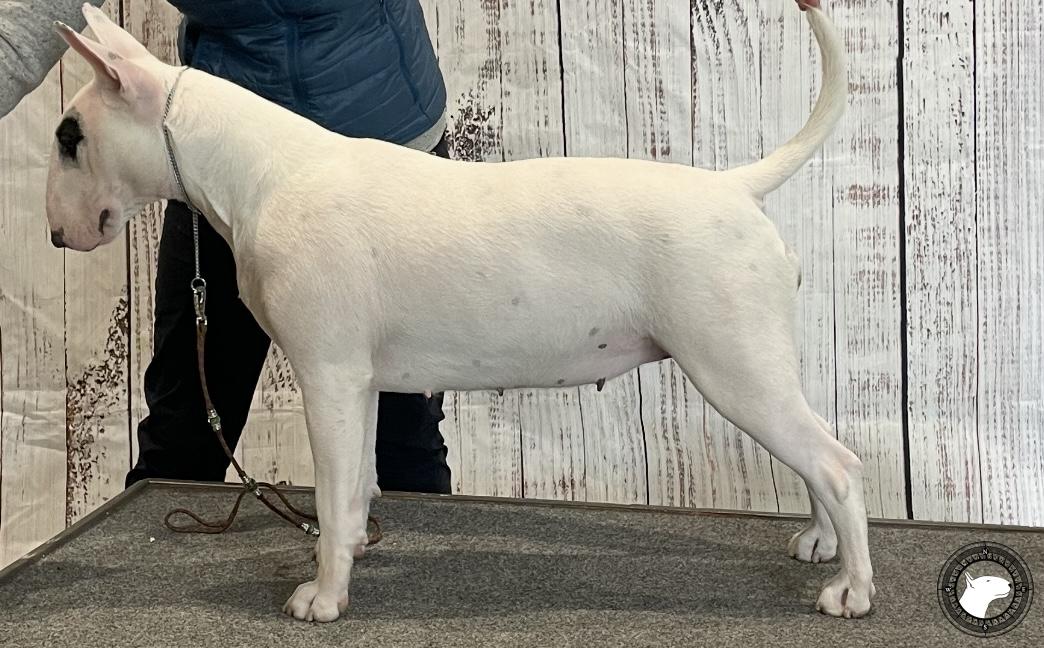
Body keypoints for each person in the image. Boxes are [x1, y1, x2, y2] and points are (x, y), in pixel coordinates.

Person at [0, 0, 453, 495]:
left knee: (403, 441)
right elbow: (22, 30)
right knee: (181, 444)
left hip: (385, 163)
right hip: (222, 166)